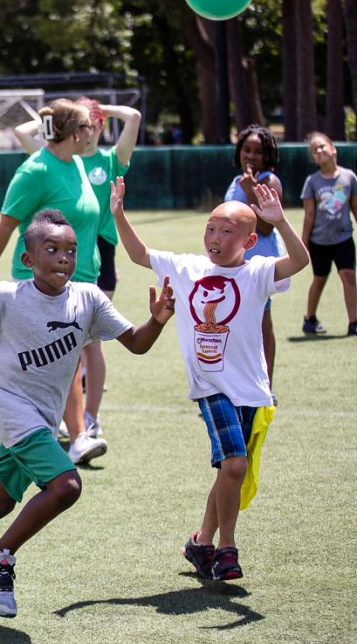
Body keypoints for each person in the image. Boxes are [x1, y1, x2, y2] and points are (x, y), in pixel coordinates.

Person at [0, 209, 175, 617]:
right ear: (29, 259)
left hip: (43, 418)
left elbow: (136, 343)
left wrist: (156, 320)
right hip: (9, 407)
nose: (64, 257)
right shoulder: (9, 297)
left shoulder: (89, 299)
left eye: (70, 250)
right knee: (66, 486)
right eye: (52, 249)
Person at [111, 176, 308, 581]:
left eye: (226, 231)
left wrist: (282, 222)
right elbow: (139, 254)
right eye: (211, 228)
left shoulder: (258, 272)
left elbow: (300, 261)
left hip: (252, 389)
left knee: (227, 472)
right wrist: (118, 213)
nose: (214, 237)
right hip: (211, 387)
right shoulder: (188, 267)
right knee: (234, 464)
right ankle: (227, 550)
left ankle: (200, 542)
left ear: (249, 242)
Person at [0, 97, 107, 464]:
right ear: (75, 132)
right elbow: (6, 223)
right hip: (42, 283)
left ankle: (56, 430)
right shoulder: (36, 170)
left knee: (70, 357)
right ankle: (75, 435)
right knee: (63, 356)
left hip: (80, 278)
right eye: (87, 126)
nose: (93, 131)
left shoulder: (78, 163)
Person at [15, 100, 142, 439]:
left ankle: (88, 420)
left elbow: (133, 116)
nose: (90, 129)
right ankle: (62, 423)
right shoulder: (58, 161)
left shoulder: (109, 160)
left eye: (94, 123)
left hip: (96, 255)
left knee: (88, 344)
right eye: (84, 123)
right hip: (58, 259)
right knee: (54, 345)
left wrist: (99, 109)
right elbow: (24, 133)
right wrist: (52, 116)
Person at [224, 125, 283, 391]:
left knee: (261, 324)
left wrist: (251, 191)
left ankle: (264, 388)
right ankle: (234, 385)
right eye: (247, 149)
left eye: (258, 152)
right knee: (231, 326)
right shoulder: (236, 182)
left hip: (257, 267)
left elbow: (267, 226)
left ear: (268, 156)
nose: (251, 156)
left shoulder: (269, 182)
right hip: (231, 267)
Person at [299, 132, 357, 336]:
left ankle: (354, 323)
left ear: (333, 149)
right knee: (319, 279)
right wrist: (304, 243)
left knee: (349, 276)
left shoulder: (349, 177)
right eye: (315, 150)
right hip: (319, 242)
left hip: (343, 238)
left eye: (322, 146)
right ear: (313, 158)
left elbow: (355, 208)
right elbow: (309, 215)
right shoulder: (312, 182)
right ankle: (309, 319)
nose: (319, 151)